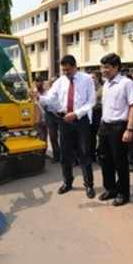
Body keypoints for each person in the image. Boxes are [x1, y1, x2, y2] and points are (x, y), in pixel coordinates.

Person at [36, 55, 96, 198]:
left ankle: (89, 185)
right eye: (63, 70)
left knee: (84, 154)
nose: (66, 73)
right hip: (64, 121)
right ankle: (67, 182)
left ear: (75, 66)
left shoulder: (86, 79)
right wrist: (39, 97)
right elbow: (50, 98)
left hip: (81, 121)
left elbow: (91, 101)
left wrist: (76, 113)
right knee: (65, 154)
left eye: (68, 70)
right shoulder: (59, 82)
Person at [98, 53, 133, 206]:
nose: (103, 70)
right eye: (102, 67)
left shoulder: (126, 83)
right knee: (104, 159)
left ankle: (123, 193)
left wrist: (129, 129)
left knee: (120, 161)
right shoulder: (106, 84)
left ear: (116, 67)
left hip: (119, 127)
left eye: (106, 67)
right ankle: (110, 189)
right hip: (105, 126)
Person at [43, 77, 61, 163]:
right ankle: (56, 156)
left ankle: (64, 156)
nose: (54, 84)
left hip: (60, 115)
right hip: (50, 115)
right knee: (53, 137)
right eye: (52, 82)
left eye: (55, 82)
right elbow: (44, 104)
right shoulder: (47, 93)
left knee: (63, 137)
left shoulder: (62, 92)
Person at [90, 70, 104, 162]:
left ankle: (100, 155)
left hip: (99, 114)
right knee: (91, 137)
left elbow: (103, 103)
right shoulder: (90, 89)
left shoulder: (102, 89)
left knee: (100, 136)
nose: (91, 79)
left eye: (93, 77)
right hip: (90, 115)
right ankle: (92, 155)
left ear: (98, 78)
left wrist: (93, 105)